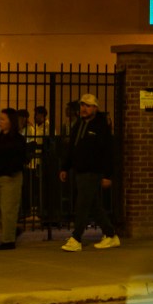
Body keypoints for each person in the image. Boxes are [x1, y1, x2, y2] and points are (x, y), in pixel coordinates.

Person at [59, 93, 120, 252]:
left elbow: (108, 152)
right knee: (93, 206)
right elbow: (72, 148)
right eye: (82, 105)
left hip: (93, 172)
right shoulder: (78, 125)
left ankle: (76, 237)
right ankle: (111, 234)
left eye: (87, 105)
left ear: (95, 108)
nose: (84, 108)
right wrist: (65, 167)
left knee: (82, 204)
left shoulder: (101, 127)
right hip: (80, 171)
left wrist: (107, 175)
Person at [0, 107, 28, 251]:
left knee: (8, 209)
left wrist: (11, 168)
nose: (0, 122)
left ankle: (8, 240)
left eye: (3, 119)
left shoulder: (18, 139)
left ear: (11, 122)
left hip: (11, 177)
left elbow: (22, 157)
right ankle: (12, 230)